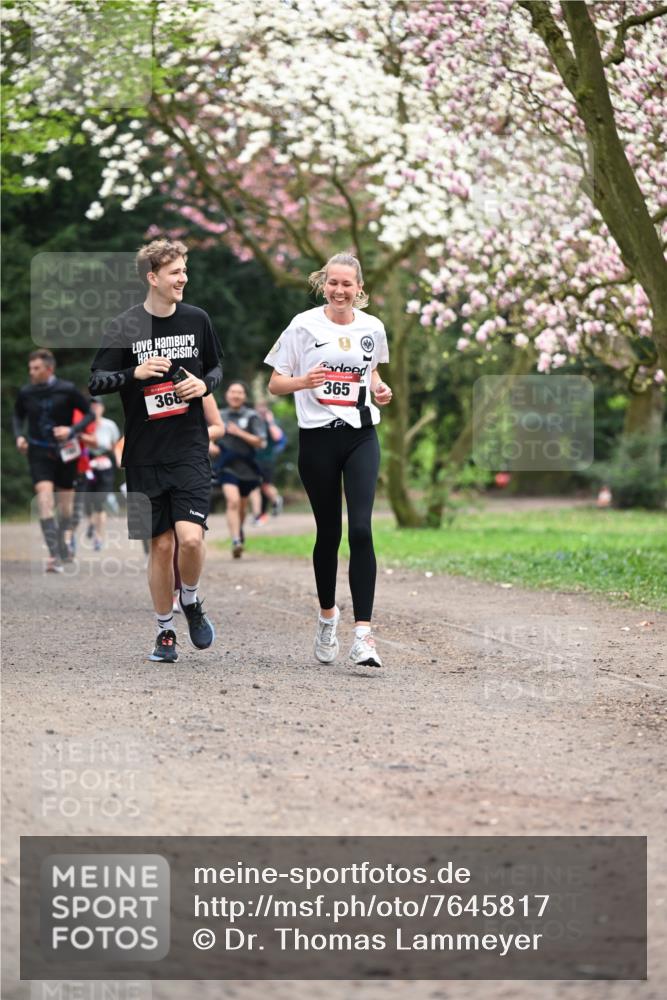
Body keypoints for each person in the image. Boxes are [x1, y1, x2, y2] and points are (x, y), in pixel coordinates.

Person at [89, 238, 223, 663]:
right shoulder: (125, 327)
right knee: (160, 547)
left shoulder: (197, 319)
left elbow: (217, 368)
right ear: (153, 277)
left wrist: (204, 386)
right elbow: (96, 380)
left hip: (189, 449)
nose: (183, 278)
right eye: (175, 272)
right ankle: (165, 632)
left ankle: (192, 600)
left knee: (191, 540)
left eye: (185, 270)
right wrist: (135, 372)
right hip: (144, 455)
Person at [265, 252, 392, 668]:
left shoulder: (372, 327)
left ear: (360, 288)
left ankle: (363, 635)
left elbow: (370, 372)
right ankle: (326, 617)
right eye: (333, 283)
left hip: (361, 436)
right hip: (317, 439)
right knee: (329, 533)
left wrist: (380, 387)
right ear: (324, 284)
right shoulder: (303, 325)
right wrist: (304, 381)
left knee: (360, 528)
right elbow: (274, 383)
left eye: (347, 284)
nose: (340, 291)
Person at [13, 349, 94, 572]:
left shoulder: (66, 390)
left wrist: (71, 429)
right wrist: (19, 436)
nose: (32, 372)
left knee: (65, 508)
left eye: (36, 368)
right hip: (38, 451)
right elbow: (18, 416)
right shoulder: (26, 392)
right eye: (30, 368)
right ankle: (54, 554)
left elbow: (90, 414)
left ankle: (62, 545)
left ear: (49, 369)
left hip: (66, 452)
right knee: (45, 500)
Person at [215, 382, 266, 558]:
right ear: (227, 395)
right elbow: (205, 436)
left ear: (244, 396)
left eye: (239, 392)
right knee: (232, 501)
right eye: (232, 392)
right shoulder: (219, 415)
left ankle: (239, 531)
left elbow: (260, 442)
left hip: (247, 467)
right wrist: (210, 448)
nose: (236, 395)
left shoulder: (252, 416)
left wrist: (239, 433)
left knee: (242, 507)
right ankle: (236, 539)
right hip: (227, 466)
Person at [79, 397, 121, 550]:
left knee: (100, 501)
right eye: (92, 405)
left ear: (103, 408)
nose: (95, 408)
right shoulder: (84, 424)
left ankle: (98, 537)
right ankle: (91, 522)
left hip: (105, 463)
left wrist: (118, 460)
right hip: (87, 462)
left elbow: (116, 444)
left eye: (98, 405)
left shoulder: (110, 425)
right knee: (87, 500)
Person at [251, 401, 286, 522]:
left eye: (263, 409)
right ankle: (259, 514)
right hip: (253, 459)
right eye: (258, 408)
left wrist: (270, 421)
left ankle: (275, 500)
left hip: (267, 460)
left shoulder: (270, 423)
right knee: (257, 486)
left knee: (265, 485)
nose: (260, 411)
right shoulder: (253, 422)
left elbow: (277, 437)